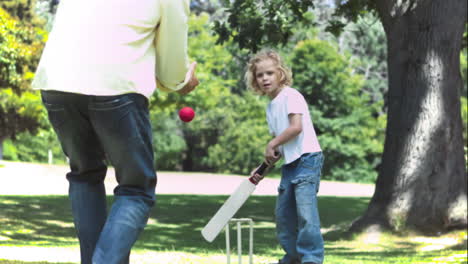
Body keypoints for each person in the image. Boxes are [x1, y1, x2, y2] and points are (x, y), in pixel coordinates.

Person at [31, 0, 199, 263]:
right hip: (116, 84)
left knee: (85, 175)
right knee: (136, 189)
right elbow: (171, 70)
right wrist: (182, 80)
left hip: (57, 82)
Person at [246, 50, 324, 264]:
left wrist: (272, 143)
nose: (265, 79)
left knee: (306, 215)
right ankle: (293, 258)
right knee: (283, 217)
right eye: (260, 75)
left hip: (307, 160)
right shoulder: (271, 107)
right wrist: (262, 167)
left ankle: (311, 259)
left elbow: (296, 128)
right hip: (290, 165)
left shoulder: (291, 96)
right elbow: (279, 149)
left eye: (270, 73)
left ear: (280, 73)